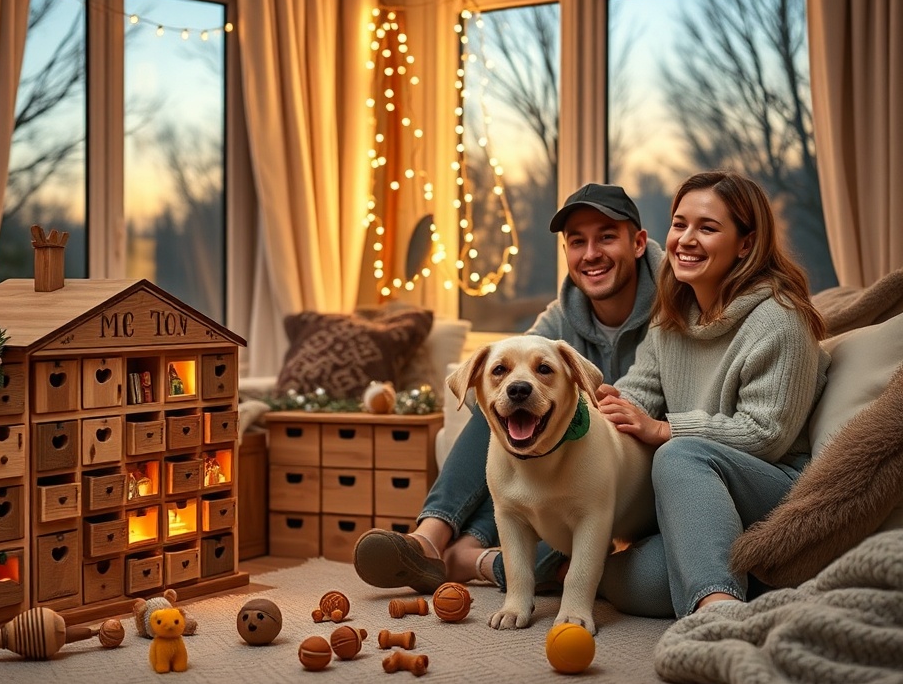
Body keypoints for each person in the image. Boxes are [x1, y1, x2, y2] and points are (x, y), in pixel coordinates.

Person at [353, 182, 664, 593]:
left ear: (638, 243)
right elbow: (516, 369)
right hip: (570, 451)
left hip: (639, 472)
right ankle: (430, 538)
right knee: (508, 401)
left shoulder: (673, 305)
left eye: (606, 237)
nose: (591, 254)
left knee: (573, 522)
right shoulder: (562, 315)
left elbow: (652, 392)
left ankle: (473, 561)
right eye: (577, 241)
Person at [595, 169, 828, 618]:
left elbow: (767, 434)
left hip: (774, 494)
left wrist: (665, 429)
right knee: (624, 580)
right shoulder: (673, 318)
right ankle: (732, 577)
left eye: (707, 227)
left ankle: (719, 615)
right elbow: (638, 392)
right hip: (699, 496)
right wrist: (596, 411)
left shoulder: (781, 319)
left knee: (678, 454)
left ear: (746, 244)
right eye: (680, 224)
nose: (685, 239)